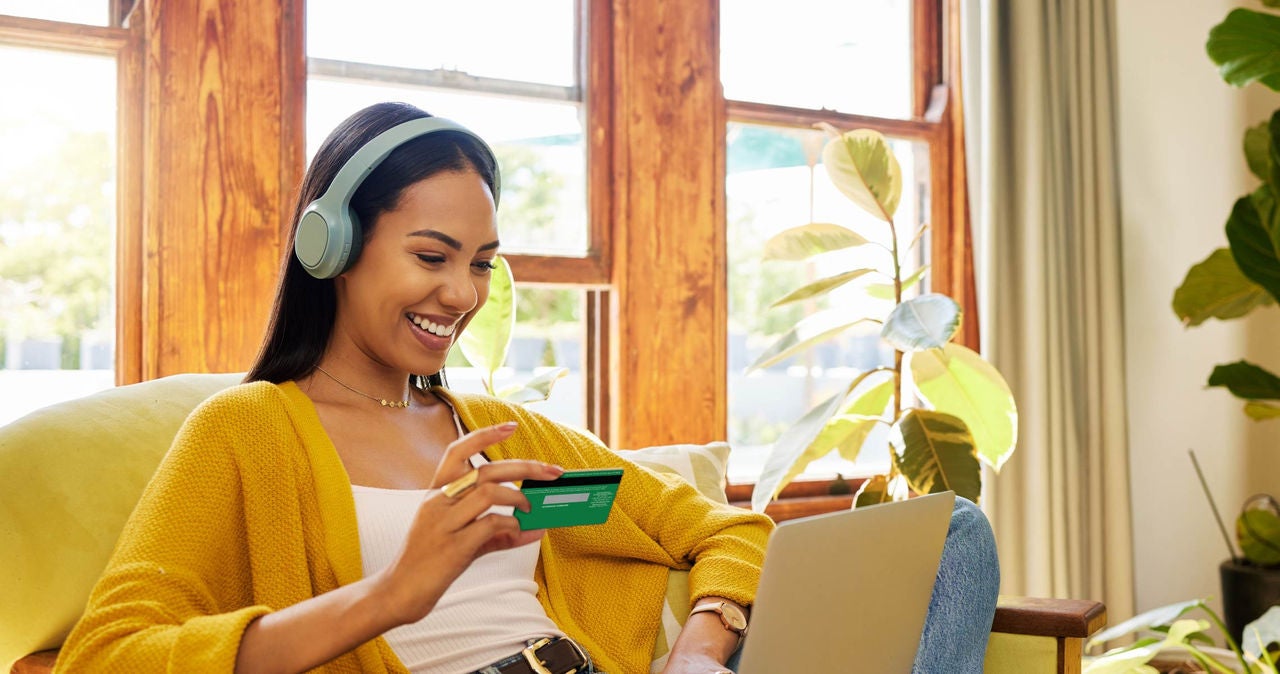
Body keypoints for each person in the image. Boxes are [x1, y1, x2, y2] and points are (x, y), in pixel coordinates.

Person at [56, 101, 999, 674]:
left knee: (952, 529)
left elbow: (720, 526)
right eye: (431, 256)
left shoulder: (498, 431)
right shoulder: (249, 430)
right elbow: (107, 658)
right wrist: (392, 593)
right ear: (330, 246)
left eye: (480, 264)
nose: (460, 294)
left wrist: (700, 644)